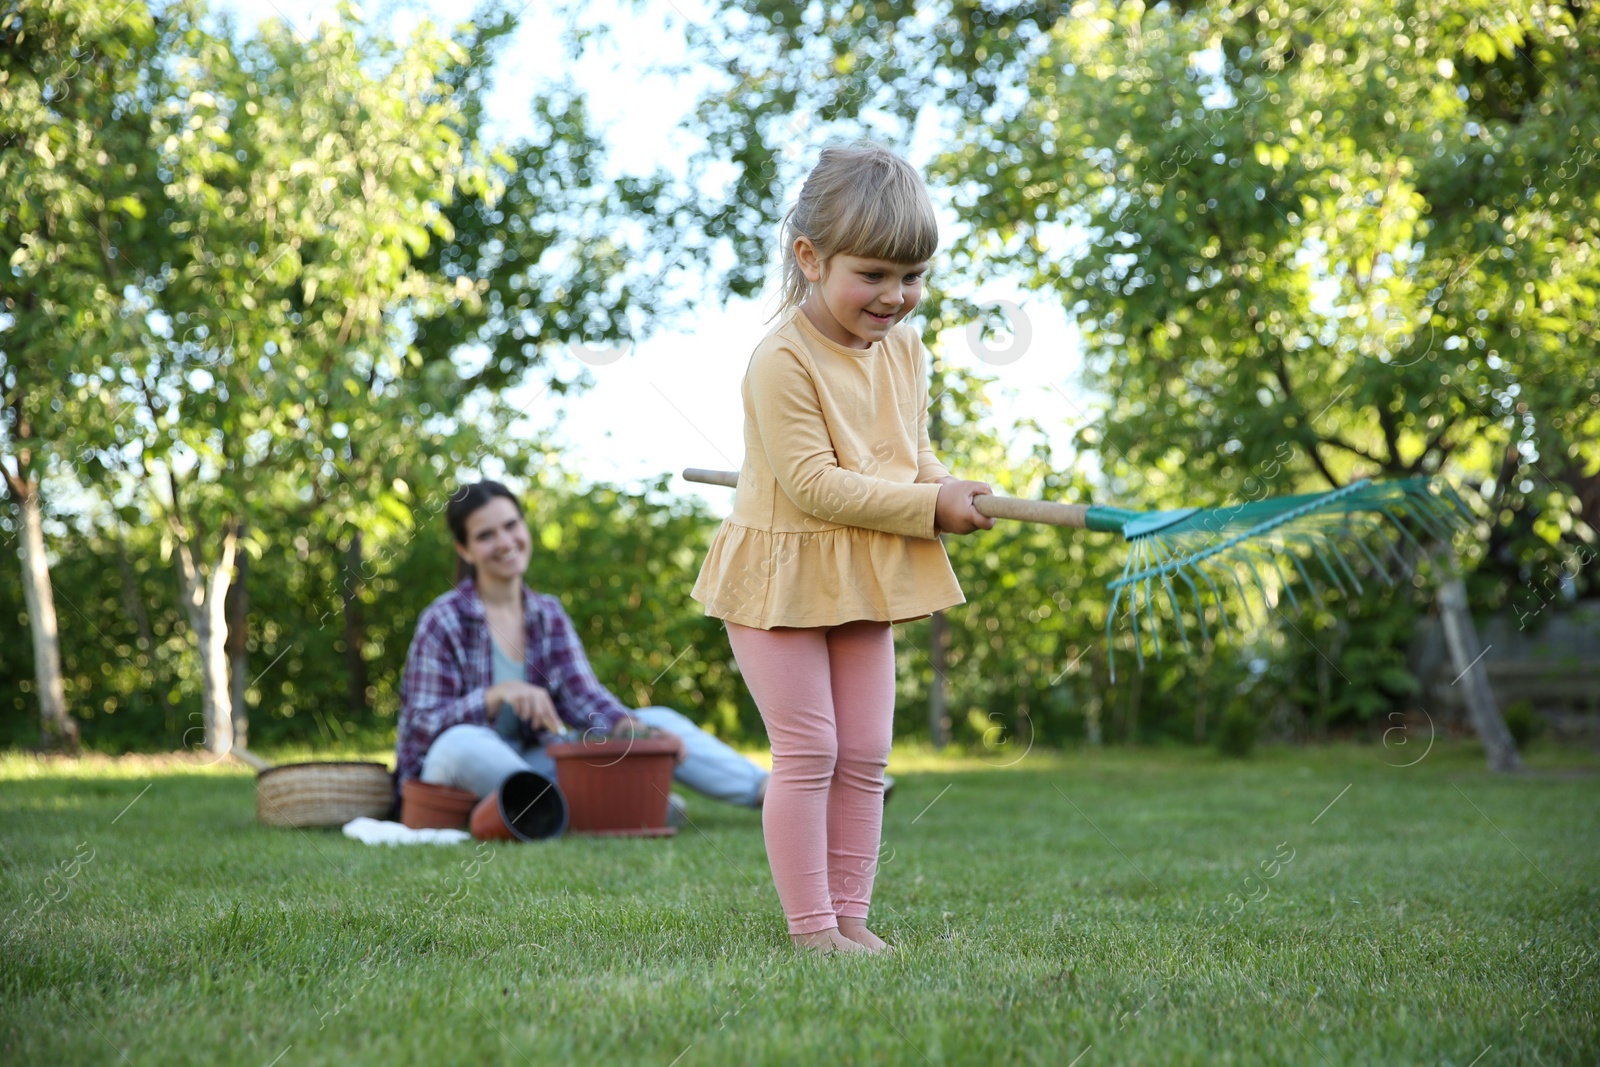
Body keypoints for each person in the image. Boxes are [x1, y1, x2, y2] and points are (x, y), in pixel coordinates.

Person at [690, 141, 994, 955]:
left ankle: (853, 918)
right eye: (876, 274)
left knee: (865, 752)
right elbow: (818, 486)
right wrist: (929, 505)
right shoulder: (780, 358)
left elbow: (911, 454)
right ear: (810, 257)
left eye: (913, 276)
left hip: (861, 567)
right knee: (812, 748)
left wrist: (952, 487)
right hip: (780, 572)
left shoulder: (906, 350)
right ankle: (813, 930)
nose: (897, 297)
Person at [396, 481, 770, 825]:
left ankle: (768, 792)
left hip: (533, 764)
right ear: (465, 548)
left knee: (657, 719)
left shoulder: (547, 614)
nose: (505, 541)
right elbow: (421, 726)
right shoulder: (443, 620)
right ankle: (611, 808)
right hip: (454, 768)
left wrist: (628, 728)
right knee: (462, 742)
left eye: (511, 526)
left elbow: (584, 697)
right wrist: (495, 697)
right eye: (486, 535)